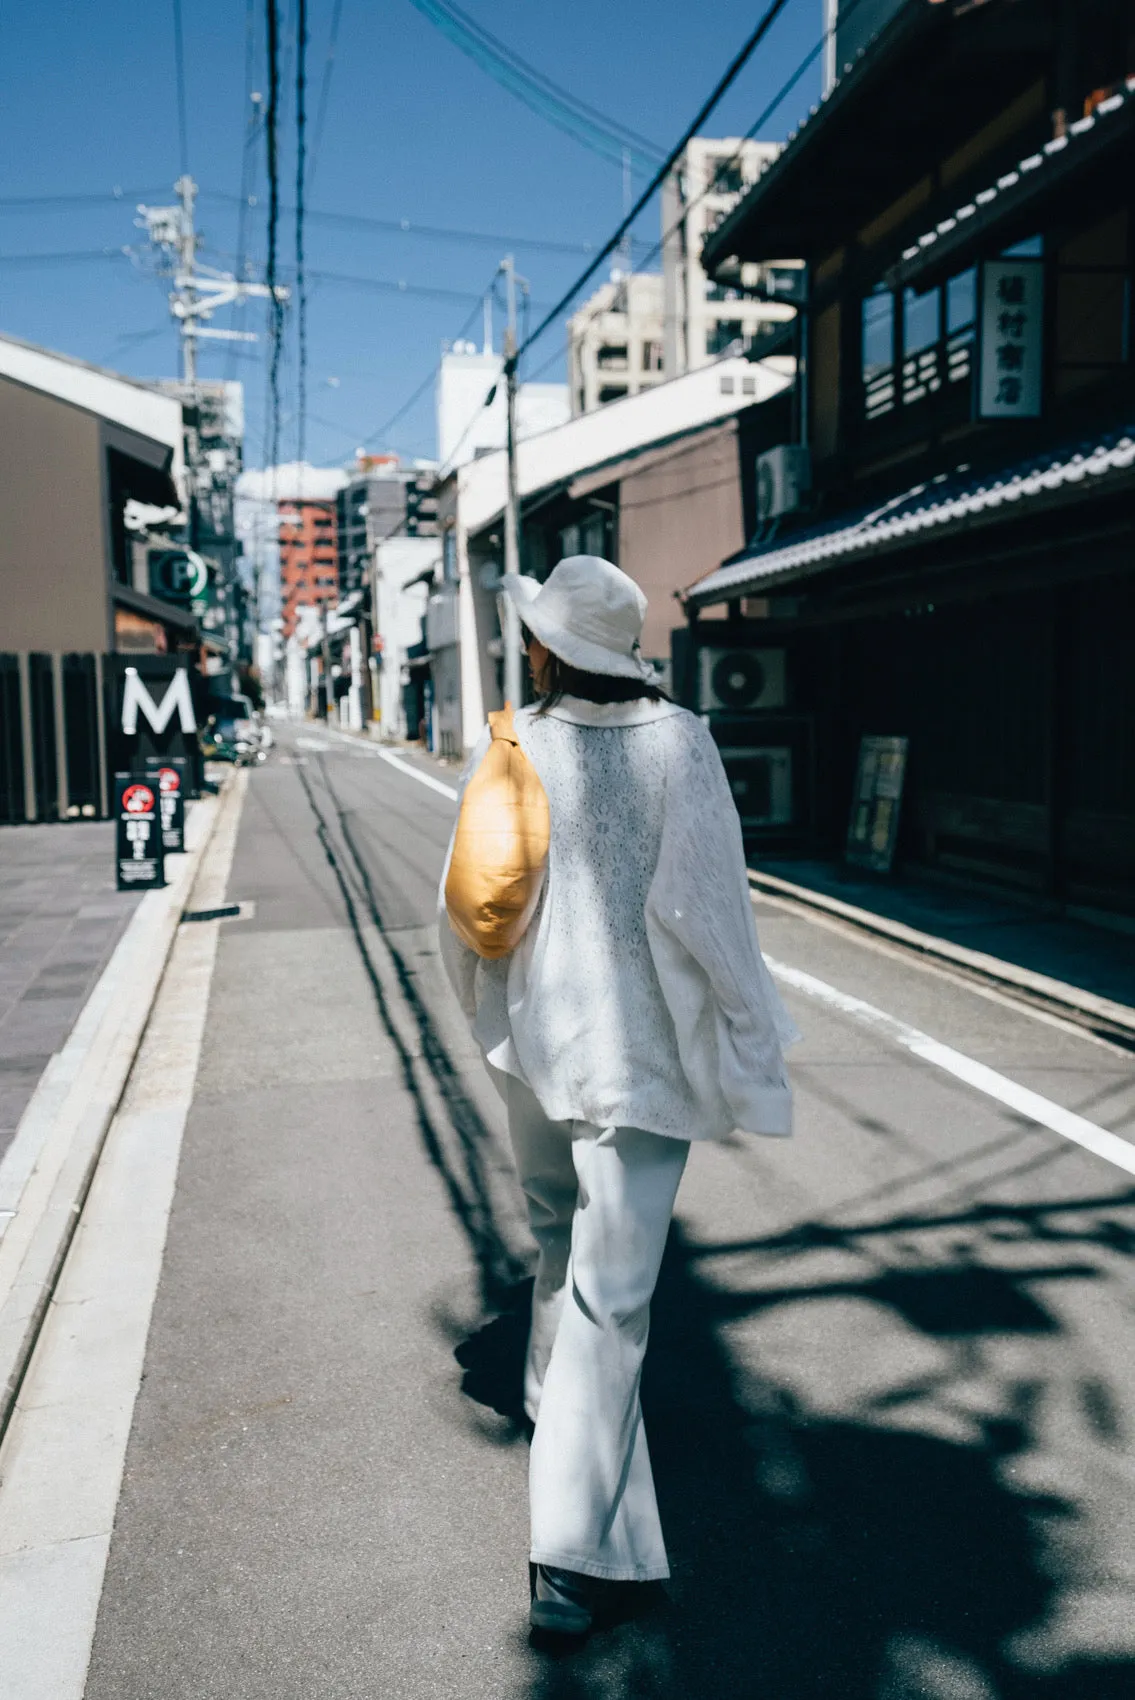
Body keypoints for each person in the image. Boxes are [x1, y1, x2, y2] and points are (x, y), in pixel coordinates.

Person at [439, 554, 798, 1636]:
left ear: (550, 646)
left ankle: (565, 1428)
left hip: (540, 1044)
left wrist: (491, 1013)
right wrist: (751, 1041)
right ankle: (572, 1552)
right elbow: (709, 908)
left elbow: (466, 902)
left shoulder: (514, 743)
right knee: (613, 1299)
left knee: (561, 1243)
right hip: (641, 1062)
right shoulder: (682, 743)